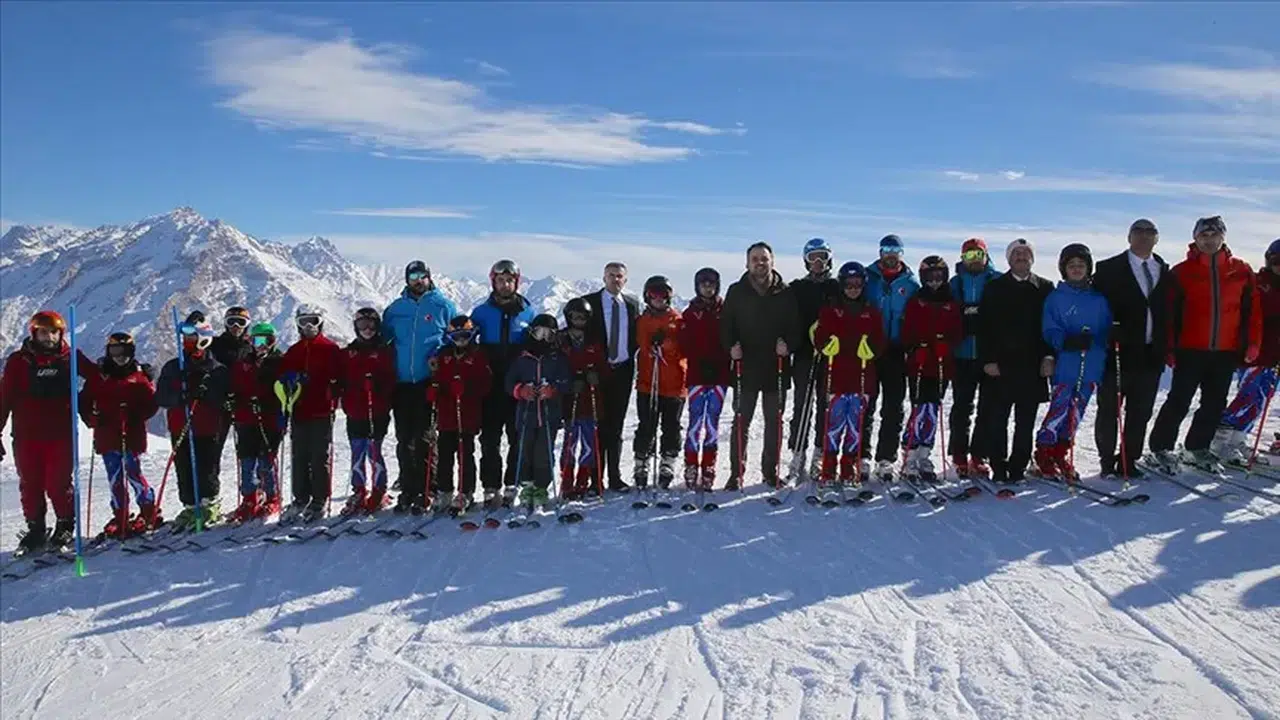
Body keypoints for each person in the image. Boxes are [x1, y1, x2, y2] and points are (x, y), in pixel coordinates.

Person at [1149, 216, 1263, 474]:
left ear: (1223, 237)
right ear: (1195, 238)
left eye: (1214, 235)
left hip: (1225, 350)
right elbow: (1169, 313)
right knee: (1179, 399)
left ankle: (1197, 447)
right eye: (1204, 236)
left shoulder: (1242, 271)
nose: (1209, 240)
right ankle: (1160, 447)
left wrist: (1253, 343)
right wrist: (1169, 346)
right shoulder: (1181, 272)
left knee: (1214, 402)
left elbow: (1252, 312)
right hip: (1190, 348)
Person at [1, 311, 92, 553]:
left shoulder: (70, 358)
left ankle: (65, 524)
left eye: (54, 332)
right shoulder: (18, 362)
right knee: (30, 484)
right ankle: (36, 529)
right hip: (26, 436)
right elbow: (4, 398)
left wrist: (132, 372)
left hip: (60, 435)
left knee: (58, 484)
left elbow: (98, 378)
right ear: (34, 333)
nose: (49, 337)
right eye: (44, 332)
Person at [1091, 219, 1171, 479]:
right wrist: (1107, 328)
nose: (1145, 237)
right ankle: (1106, 460)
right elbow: (1095, 308)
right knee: (1109, 411)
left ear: (1157, 238)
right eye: (1139, 231)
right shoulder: (1107, 269)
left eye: (1151, 232)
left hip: (1151, 353)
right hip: (1118, 351)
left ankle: (1128, 460)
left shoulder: (1164, 270)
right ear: (1129, 236)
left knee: (1140, 412)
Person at [721, 242, 803, 489]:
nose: (760, 263)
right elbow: (725, 326)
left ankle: (770, 471)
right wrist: (730, 347)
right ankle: (736, 473)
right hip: (745, 368)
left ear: (772, 261)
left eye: (764, 259)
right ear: (747, 263)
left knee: (774, 423)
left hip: (775, 367)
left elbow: (796, 328)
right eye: (755, 259)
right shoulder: (737, 291)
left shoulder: (785, 292)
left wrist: (788, 345)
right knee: (740, 422)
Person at [977, 239, 1055, 482]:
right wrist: (987, 359)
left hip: (1032, 366)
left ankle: (1018, 468)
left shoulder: (1045, 287)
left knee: (1025, 422)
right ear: (1009, 259)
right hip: (1001, 365)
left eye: (1025, 253)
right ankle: (998, 467)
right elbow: (984, 327)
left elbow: (1050, 327)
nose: (1021, 257)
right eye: (1016, 253)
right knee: (997, 420)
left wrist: (1049, 357)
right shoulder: (994, 287)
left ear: (1032, 258)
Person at [1034, 245, 1112, 480]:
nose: (1076, 269)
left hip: (1091, 364)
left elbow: (1107, 327)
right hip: (1067, 363)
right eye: (1071, 266)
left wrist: (1110, 337)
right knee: (1059, 408)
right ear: (1064, 270)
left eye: (1081, 265)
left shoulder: (1098, 299)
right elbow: (1049, 327)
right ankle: (1044, 451)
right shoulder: (1056, 298)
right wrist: (1065, 340)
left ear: (1088, 269)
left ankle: (1062, 453)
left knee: (1076, 412)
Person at [382, 260, 457, 492]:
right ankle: (408, 486)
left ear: (429, 277)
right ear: (406, 280)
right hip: (402, 382)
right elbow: (384, 341)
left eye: (422, 276)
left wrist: (441, 357)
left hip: (429, 380)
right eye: (413, 277)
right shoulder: (395, 310)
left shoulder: (443, 306)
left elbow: (455, 338)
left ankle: (428, 487)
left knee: (425, 438)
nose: (418, 281)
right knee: (404, 439)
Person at [78, 332, 160, 538]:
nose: (120, 356)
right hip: (107, 434)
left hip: (131, 434)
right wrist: (91, 418)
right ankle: (121, 514)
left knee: (133, 472)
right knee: (115, 476)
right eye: (115, 351)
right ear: (108, 352)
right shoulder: (100, 376)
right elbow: (84, 401)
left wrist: (135, 415)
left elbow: (151, 403)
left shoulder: (139, 377)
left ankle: (149, 509)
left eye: (125, 352)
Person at [812, 261, 885, 485]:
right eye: (848, 284)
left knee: (856, 423)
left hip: (862, 376)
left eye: (857, 284)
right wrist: (825, 345)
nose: (853, 288)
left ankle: (848, 466)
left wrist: (871, 349)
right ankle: (828, 466)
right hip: (837, 376)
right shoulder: (831, 309)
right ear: (842, 285)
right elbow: (819, 335)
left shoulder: (871, 312)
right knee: (833, 423)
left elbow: (880, 340)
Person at [472, 259, 536, 505]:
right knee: (489, 439)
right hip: (489, 385)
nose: (505, 285)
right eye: (500, 280)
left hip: (517, 386)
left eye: (510, 280)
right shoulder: (481, 313)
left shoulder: (528, 312)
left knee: (517, 437)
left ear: (516, 283)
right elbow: (465, 343)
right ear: (493, 282)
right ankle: (490, 486)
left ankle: (512, 484)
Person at [155, 319, 230, 530]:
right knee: (184, 467)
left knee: (206, 467)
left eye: (192, 337)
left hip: (207, 427)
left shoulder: (216, 369)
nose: (188, 341)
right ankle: (190, 506)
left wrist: (206, 394)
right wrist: (180, 396)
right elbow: (160, 397)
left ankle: (210, 505)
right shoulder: (174, 366)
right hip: (180, 426)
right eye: (186, 337)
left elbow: (224, 399)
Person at [1213, 238, 1280, 465]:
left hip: (1275, 357)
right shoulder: (1260, 283)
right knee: (1248, 397)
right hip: (1257, 353)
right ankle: (1219, 440)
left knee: (1261, 400)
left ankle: (1238, 439)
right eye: (1277, 261)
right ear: (1268, 260)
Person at [277, 305, 344, 522]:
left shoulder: (330, 349)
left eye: (313, 321)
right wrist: (288, 380)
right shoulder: (294, 351)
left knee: (318, 456)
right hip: (299, 410)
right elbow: (282, 376)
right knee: (299, 456)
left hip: (322, 410)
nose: (308, 326)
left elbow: (339, 377)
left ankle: (319, 499)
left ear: (321, 323)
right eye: (304, 321)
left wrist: (333, 388)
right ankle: (300, 498)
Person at [900, 256, 963, 482]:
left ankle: (925, 453)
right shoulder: (916, 301)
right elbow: (906, 330)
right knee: (919, 406)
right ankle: (910, 453)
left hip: (940, 363)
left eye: (939, 277)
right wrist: (916, 346)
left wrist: (946, 345)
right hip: (920, 361)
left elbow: (957, 331)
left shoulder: (951, 303)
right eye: (930, 277)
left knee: (932, 408)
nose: (934, 282)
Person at [580, 262, 641, 492]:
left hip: (623, 371)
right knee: (597, 425)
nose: (615, 280)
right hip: (597, 372)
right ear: (603, 278)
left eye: (620, 276)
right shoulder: (590, 303)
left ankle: (615, 477)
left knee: (616, 427)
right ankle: (596, 479)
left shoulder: (633, 305)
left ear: (625, 280)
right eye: (611, 276)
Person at [865, 234, 921, 480]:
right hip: (867, 351)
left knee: (893, 407)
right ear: (879, 252)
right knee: (865, 404)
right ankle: (862, 457)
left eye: (895, 249)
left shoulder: (910, 284)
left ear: (901, 253)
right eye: (886, 249)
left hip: (897, 351)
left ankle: (886, 459)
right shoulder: (867, 278)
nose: (890, 253)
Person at [505, 314, 572, 512]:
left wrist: (553, 389)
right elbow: (509, 382)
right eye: (538, 332)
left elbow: (566, 381)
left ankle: (541, 487)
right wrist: (521, 390)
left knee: (543, 452)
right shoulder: (522, 358)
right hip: (526, 415)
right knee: (525, 451)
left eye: (548, 334)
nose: (542, 338)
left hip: (549, 414)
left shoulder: (558, 357)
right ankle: (527, 486)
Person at [948, 238, 1000, 478]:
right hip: (961, 353)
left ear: (986, 256)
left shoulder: (996, 280)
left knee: (988, 407)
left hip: (988, 354)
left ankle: (979, 455)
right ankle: (959, 454)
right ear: (962, 258)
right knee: (961, 406)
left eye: (978, 255)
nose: (974, 260)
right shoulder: (955, 283)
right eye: (969, 256)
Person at [428, 316, 491, 513]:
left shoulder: (479, 355)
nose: (461, 340)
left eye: (465, 336)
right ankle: (444, 491)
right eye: (456, 336)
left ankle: (466, 491)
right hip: (447, 413)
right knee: (445, 454)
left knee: (465, 454)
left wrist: (467, 388)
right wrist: (435, 389)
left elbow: (486, 384)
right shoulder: (444, 355)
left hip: (468, 413)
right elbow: (437, 377)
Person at [788, 238, 839, 478]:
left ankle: (820, 454)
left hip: (830, 355)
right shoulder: (797, 287)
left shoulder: (836, 287)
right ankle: (797, 455)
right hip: (804, 354)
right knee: (802, 406)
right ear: (806, 261)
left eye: (822, 257)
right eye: (812, 258)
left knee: (825, 406)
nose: (818, 262)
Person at [338, 309, 396, 515]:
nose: (367, 330)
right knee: (357, 451)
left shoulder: (384, 350)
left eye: (371, 325)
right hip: (355, 409)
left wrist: (378, 386)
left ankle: (379, 489)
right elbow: (341, 378)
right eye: (363, 325)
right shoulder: (348, 352)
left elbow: (391, 378)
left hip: (376, 409)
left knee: (374, 450)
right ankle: (359, 490)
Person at [227, 322, 286, 523]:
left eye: (266, 340)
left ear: (273, 342)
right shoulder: (244, 363)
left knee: (266, 460)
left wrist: (271, 404)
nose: (261, 345)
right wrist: (233, 400)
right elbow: (235, 386)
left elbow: (282, 390)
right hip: (245, 417)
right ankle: (250, 498)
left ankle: (272, 496)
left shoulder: (279, 362)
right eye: (257, 340)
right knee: (247, 460)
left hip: (269, 418)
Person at [634, 275, 687, 490]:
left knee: (671, 425)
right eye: (654, 294)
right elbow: (639, 344)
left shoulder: (678, 320)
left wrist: (668, 345)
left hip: (674, 384)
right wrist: (651, 347)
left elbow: (685, 348)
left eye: (663, 295)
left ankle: (668, 459)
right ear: (647, 296)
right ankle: (642, 461)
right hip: (648, 382)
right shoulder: (642, 321)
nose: (658, 299)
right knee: (647, 423)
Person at [679, 267, 730, 491]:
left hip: (719, 374)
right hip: (698, 375)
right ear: (697, 286)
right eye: (703, 284)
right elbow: (684, 343)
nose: (707, 288)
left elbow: (732, 336)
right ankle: (691, 464)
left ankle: (708, 465)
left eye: (711, 284)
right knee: (695, 421)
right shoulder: (690, 312)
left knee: (712, 423)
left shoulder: (726, 310)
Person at [559, 297, 610, 499]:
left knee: (589, 441)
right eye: (575, 316)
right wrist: (568, 381)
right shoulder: (561, 339)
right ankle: (567, 479)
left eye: (582, 317)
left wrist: (595, 376)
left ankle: (584, 478)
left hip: (590, 398)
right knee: (570, 441)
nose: (578, 320)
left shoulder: (594, 341)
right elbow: (556, 366)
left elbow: (604, 368)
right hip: (570, 398)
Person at [210, 306, 253, 480]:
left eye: (241, 322)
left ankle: (251, 492)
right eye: (231, 322)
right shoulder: (215, 345)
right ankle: (211, 494)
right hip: (218, 404)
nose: (236, 326)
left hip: (243, 404)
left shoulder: (250, 347)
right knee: (213, 450)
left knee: (247, 449)